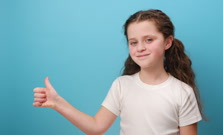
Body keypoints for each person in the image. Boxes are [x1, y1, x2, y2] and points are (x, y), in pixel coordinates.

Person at [33, 9, 203, 135]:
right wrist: (58, 103)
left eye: (149, 40)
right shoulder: (122, 85)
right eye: (133, 42)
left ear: (167, 42)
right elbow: (96, 127)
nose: (141, 48)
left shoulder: (182, 92)